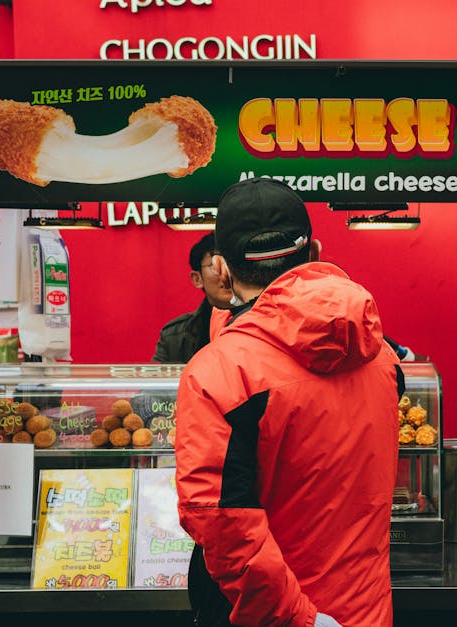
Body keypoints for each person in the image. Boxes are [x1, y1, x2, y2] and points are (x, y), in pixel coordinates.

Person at [174, 178, 402, 627]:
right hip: (366, 612)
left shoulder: (217, 373)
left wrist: (304, 619)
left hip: (275, 617)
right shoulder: (384, 358)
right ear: (314, 251)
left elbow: (223, 525)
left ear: (220, 269)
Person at [153, 232, 234, 363]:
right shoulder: (174, 336)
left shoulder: (264, 323)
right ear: (197, 278)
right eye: (215, 266)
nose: (226, 273)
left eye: (231, 264)